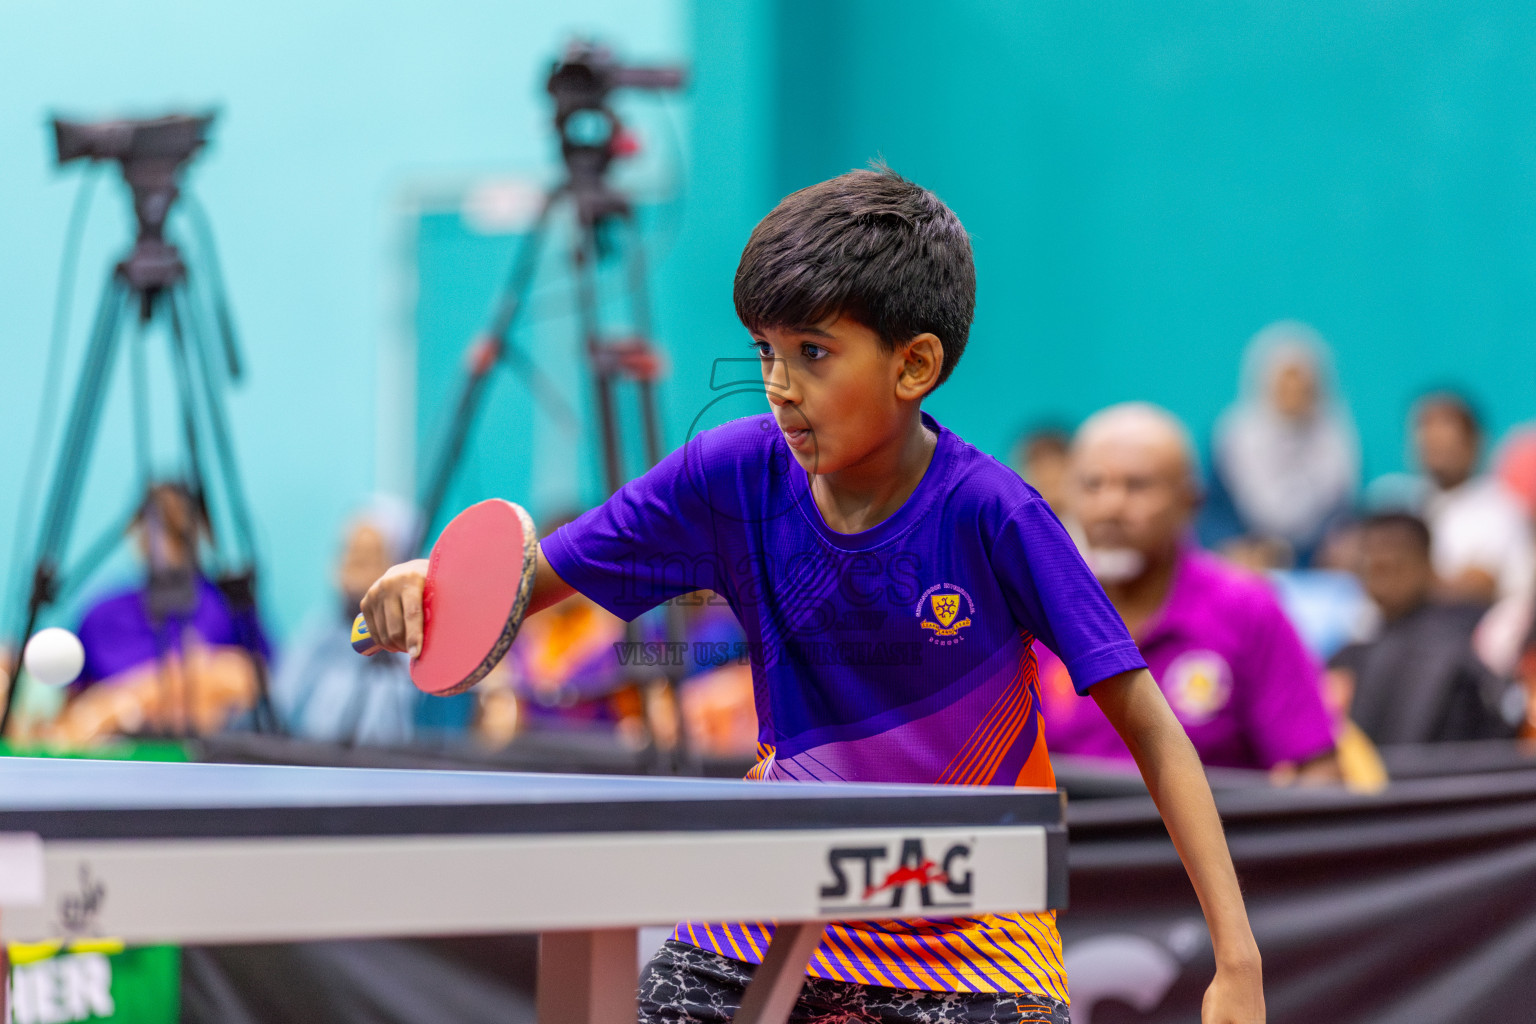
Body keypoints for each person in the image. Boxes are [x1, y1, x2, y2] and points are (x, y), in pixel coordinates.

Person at [361, 169, 1264, 1022]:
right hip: (770, 899)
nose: (780, 387)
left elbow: (1148, 724)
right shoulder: (731, 475)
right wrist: (432, 589)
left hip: (971, 927)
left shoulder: (996, 515)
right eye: (765, 350)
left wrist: (1237, 959)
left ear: (913, 366)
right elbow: (536, 578)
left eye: (814, 353)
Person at [1039, 403, 1342, 781]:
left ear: (1190, 502)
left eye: (1137, 486)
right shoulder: (1034, 613)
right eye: (1092, 485)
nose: (1110, 507)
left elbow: (1318, 770)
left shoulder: (1247, 609)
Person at [55, 482, 268, 745]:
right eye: (154, 526)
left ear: (201, 532)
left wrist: (125, 701)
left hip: (205, 754)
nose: (162, 544)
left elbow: (255, 682)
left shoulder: (228, 607)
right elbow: (69, 710)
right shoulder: (101, 615)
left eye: (176, 529)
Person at [270, 496, 470, 747]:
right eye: (349, 553)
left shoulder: (426, 650)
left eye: (368, 558)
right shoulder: (318, 636)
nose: (352, 569)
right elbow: (280, 712)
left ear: (401, 565)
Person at [1328, 514, 1515, 745]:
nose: (1384, 583)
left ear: (1426, 565)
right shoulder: (1353, 656)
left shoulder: (1465, 647)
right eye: (1375, 568)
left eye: (1395, 566)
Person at [1209, 321, 1358, 565]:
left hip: (1318, 575)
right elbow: (1214, 513)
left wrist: (1338, 548)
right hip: (1246, 569)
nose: (1293, 391)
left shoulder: (1340, 446)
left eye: (1302, 383)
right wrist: (1237, 548)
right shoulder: (1232, 441)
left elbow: (1347, 518)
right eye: (1284, 382)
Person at [1399, 392, 1533, 604]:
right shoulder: (1403, 501)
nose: (1434, 441)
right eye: (1427, 438)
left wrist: (1403, 578)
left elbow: (1478, 586)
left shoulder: (1501, 509)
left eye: (1446, 443)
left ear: (1474, 442)